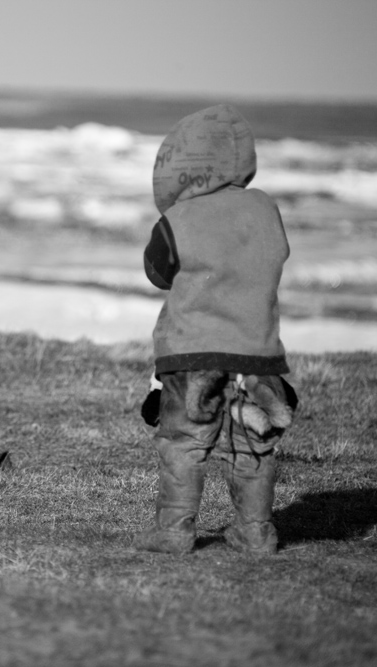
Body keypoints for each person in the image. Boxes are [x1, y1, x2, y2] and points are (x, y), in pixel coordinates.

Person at [134, 104, 298, 556]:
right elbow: (276, 255)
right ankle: (256, 532)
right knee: (254, 444)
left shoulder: (180, 219)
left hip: (191, 353)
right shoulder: (265, 208)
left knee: (183, 443)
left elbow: (158, 271)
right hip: (255, 352)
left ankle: (173, 532)